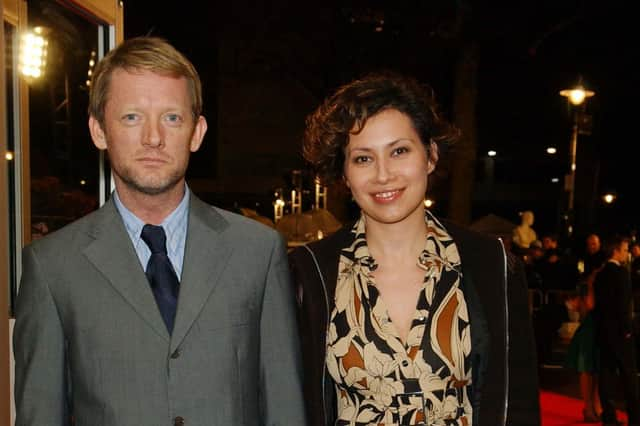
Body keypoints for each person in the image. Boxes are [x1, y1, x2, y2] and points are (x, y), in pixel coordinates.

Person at [13, 37, 306, 426]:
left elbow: (285, 408)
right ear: (99, 130)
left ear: (197, 132)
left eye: (172, 117)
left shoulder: (257, 251)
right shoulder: (52, 267)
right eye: (132, 117)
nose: (153, 138)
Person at [289, 72, 540, 426]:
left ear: (431, 156)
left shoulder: (491, 265)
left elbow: (519, 402)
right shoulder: (309, 271)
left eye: (399, 151)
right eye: (363, 159)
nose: (383, 174)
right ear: (345, 174)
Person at [593, 236, 640, 426]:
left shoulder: (601, 274)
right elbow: (623, 304)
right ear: (616, 251)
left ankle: (609, 417)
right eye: (625, 249)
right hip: (621, 332)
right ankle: (635, 418)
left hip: (604, 331)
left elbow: (599, 305)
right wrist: (627, 329)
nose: (627, 252)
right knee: (629, 375)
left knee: (606, 375)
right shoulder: (621, 274)